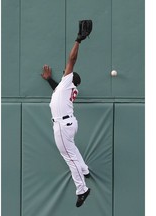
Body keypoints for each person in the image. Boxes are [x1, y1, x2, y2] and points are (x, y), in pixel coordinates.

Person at [41, 25, 91, 207]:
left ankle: (82, 189)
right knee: (72, 151)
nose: (64, 72)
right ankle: (84, 169)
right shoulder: (65, 87)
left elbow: (72, 59)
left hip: (63, 126)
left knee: (69, 157)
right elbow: (57, 89)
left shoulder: (67, 82)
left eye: (66, 73)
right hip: (68, 123)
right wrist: (48, 79)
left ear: (70, 78)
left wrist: (78, 40)